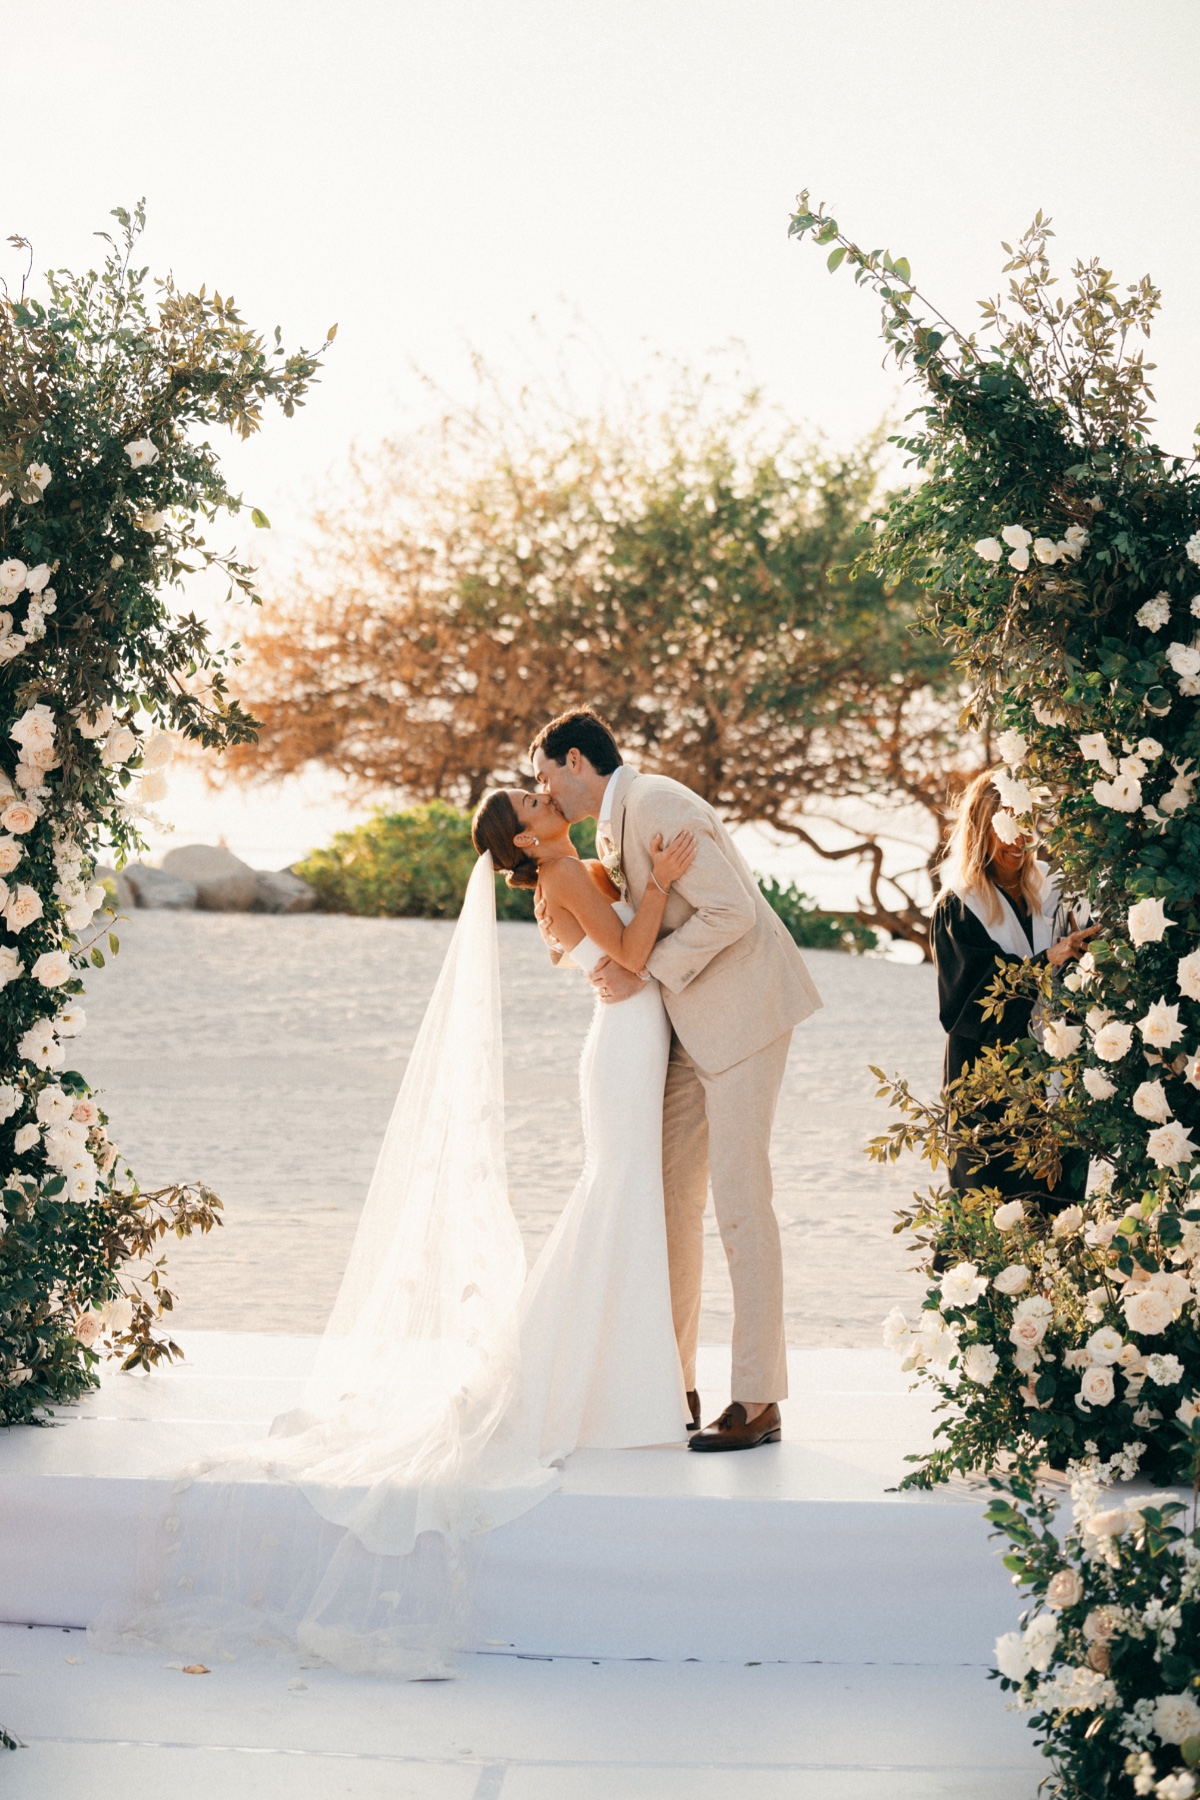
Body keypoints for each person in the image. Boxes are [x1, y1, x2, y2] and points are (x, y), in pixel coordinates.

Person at [529, 707, 822, 1452]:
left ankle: (758, 1400)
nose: (542, 791)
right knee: (667, 1198)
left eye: (542, 779)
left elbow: (732, 913)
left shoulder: (656, 803)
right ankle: (673, 1378)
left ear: (573, 760)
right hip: (686, 1027)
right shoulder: (608, 825)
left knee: (741, 1204)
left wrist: (645, 969)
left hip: (745, 1015)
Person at [470, 786, 697, 1454]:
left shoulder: (567, 871)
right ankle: (615, 1391)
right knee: (622, 1201)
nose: (543, 795)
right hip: (624, 1046)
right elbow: (628, 955)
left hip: (626, 1036)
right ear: (525, 841)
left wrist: (631, 893)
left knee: (623, 1202)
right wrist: (661, 880)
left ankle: (619, 1384)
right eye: (529, 804)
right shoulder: (561, 872)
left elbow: (591, 945)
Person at [932, 766, 1095, 1205]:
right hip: (991, 1090)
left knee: (1059, 1215)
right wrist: (1047, 960)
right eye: (1003, 827)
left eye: (1024, 824)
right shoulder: (959, 905)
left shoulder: (1055, 890)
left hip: (1058, 1081)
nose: (1016, 841)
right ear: (980, 830)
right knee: (994, 1217)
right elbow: (973, 1004)